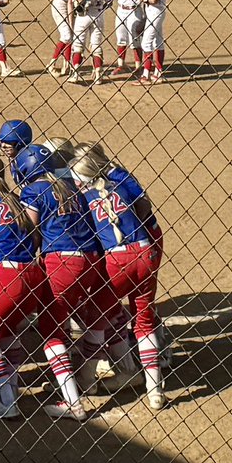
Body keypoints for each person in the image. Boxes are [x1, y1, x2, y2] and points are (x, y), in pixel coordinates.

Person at [70, 142, 166, 410]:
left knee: (97, 320)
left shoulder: (86, 199)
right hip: (145, 252)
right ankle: (155, 390)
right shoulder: (120, 185)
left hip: (117, 261)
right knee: (143, 319)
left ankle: (86, 380)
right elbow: (142, 207)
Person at [14, 144, 101, 421]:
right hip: (88, 260)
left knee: (51, 327)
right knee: (68, 317)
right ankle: (79, 377)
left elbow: (31, 234)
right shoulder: (69, 187)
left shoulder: (32, 191)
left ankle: (73, 401)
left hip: (61, 263)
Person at [0, 154, 46, 420]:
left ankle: (8, 400)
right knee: (8, 332)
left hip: (4, 276)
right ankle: (10, 386)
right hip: (32, 275)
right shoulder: (17, 198)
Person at [68, 0, 113, 85]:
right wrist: (100, 8)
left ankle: (75, 73)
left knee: (78, 45)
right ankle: (98, 74)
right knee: (96, 46)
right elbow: (110, 1)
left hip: (84, 17)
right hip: (98, 16)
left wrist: (77, 1)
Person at [47, 0, 86, 76]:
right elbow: (69, 2)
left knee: (69, 36)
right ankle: (51, 65)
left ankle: (66, 64)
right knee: (67, 35)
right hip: (61, 5)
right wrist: (70, 21)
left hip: (61, 2)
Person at [137, 0, 170, 85]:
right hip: (159, 12)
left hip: (154, 11)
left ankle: (146, 76)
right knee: (158, 42)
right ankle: (158, 73)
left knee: (146, 43)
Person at [111, 0, 145, 76]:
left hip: (134, 12)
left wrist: (144, 14)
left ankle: (138, 66)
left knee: (134, 39)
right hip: (121, 10)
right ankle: (121, 65)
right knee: (121, 38)